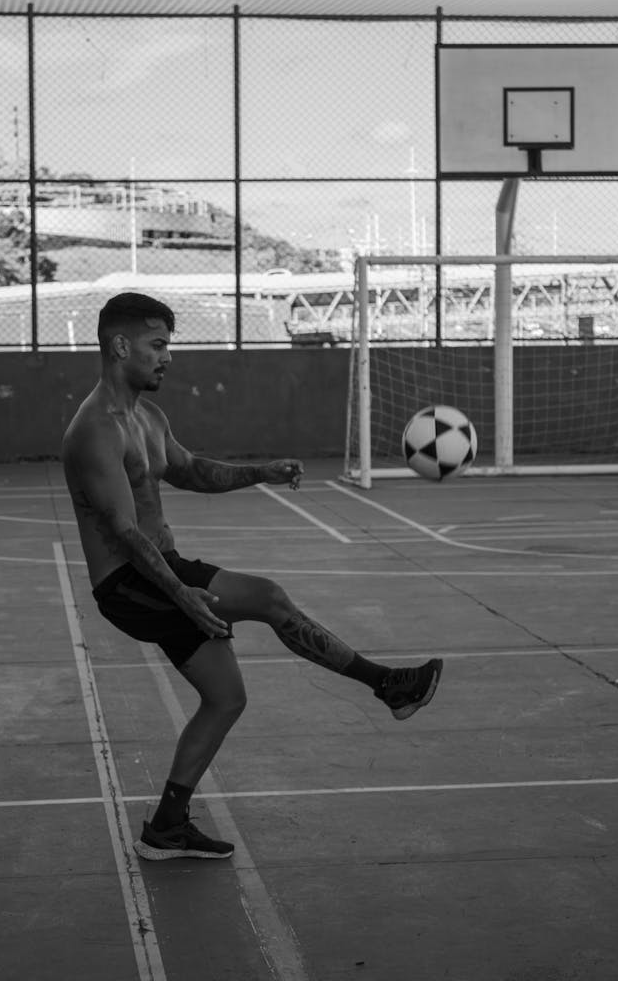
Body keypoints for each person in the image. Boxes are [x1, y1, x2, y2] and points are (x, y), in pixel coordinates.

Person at [61, 292, 443, 861]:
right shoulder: (95, 429)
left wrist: (261, 472)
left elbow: (190, 471)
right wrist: (182, 593)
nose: (168, 357)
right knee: (266, 597)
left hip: (164, 572)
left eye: (169, 345)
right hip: (132, 584)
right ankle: (386, 684)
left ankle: (166, 827)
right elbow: (123, 532)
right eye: (158, 345)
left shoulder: (148, 416)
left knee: (226, 698)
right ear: (120, 346)